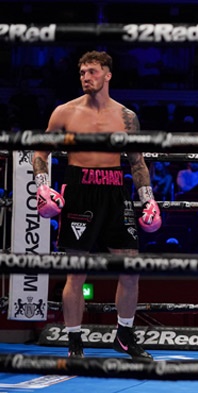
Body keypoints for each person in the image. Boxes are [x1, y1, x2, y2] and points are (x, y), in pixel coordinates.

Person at [32, 50, 161, 360]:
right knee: (77, 273)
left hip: (116, 192)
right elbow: (41, 152)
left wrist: (148, 200)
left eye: (91, 71)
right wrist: (42, 188)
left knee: (130, 269)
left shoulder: (126, 117)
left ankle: (125, 336)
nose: (86, 77)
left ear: (107, 74)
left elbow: (137, 162)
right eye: (82, 73)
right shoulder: (64, 112)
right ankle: (75, 343)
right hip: (80, 191)